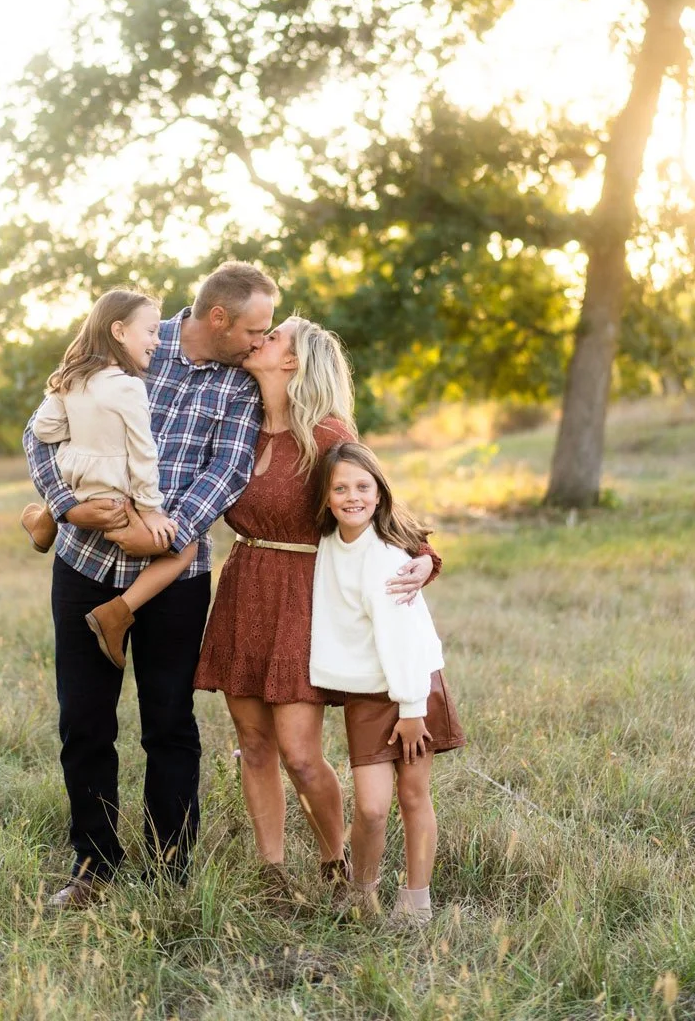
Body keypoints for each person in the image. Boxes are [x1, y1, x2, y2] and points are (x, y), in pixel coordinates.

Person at [23, 262, 277, 909]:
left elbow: (228, 471)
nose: (259, 339)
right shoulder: (128, 341)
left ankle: (170, 872)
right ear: (216, 318)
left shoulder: (240, 383)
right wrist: (66, 504)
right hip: (83, 562)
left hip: (176, 580)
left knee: (168, 724)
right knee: (84, 720)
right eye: (253, 327)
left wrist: (165, 532)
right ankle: (93, 866)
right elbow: (41, 431)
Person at [193, 317, 440, 901]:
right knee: (253, 745)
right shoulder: (241, 427)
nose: (260, 339)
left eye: (274, 337)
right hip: (244, 585)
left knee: (301, 756)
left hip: (306, 597)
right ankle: (272, 870)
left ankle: (336, 862)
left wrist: (427, 558)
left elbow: (381, 508)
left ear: (294, 362)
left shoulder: (328, 436)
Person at [309, 440, 465, 929]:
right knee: (373, 808)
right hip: (367, 696)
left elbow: (402, 639)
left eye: (362, 486)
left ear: (378, 494)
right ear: (326, 497)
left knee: (414, 796)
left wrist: (414, 708)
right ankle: (363, 896)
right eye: (340, 488)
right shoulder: (326, 548)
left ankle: (416, 903)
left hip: (413, 688)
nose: (352, 496)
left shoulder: (385, 557)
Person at [20, 290, 193, 669]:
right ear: (118, 330)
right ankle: (114, 614)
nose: (157, 340)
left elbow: (45, 429)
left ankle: (44, 520)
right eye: (149, 331)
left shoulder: (72, 377)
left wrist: (83, 435)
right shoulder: (130, 386)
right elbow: (143, 452)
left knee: (70, 488)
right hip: (116, 497)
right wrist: (151, 511)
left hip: (77, 485)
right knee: (189, 549)